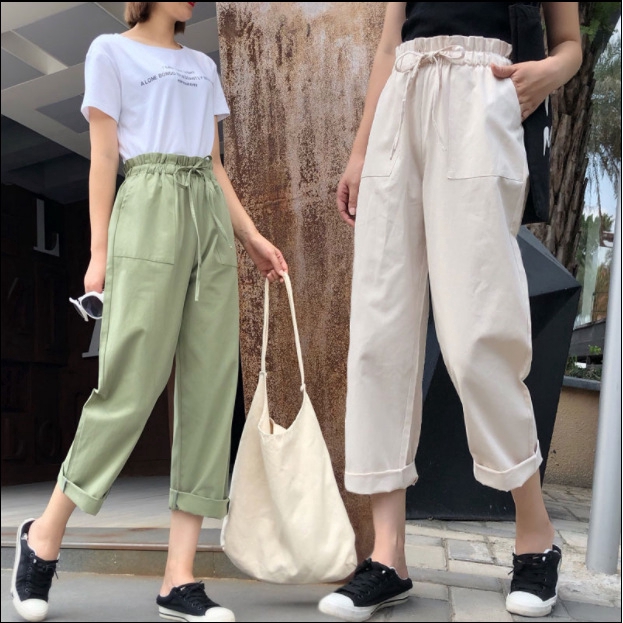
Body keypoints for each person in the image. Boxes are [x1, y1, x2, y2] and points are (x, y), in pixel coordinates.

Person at [10, 3, 287, 623]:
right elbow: (105, 156)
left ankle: (178, 579)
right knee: (129, 384)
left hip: (207, 218)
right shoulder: (110, 51)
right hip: (148, 205)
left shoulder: (202, 66)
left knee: (210, 390)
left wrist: (250, 236)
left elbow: (214, 167)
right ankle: (44, 534)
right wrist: (99, 253)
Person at [319, 2, 581, 621]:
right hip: (400, 103)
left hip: (480, 101)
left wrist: (547, 73)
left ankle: (535, 535)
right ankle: (388, 556)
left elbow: (569, 42)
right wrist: (360, 151)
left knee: (477, 337)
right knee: (379, 335)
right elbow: (390, 45)